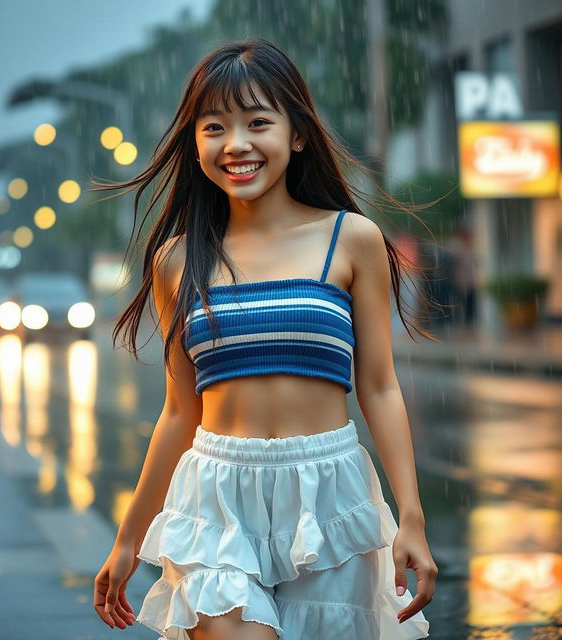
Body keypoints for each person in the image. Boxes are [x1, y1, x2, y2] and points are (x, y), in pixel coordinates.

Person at [92, 37, 438, 639]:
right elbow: (179, 412)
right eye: (214, 127)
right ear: (195, 141)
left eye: (258, 122)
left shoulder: (351, 239)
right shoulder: (178, 260)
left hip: (328, 493)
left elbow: (379, 387)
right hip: (216, 498)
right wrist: (128, 541)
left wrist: (411, 516)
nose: (236, 145)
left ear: (296, 134)